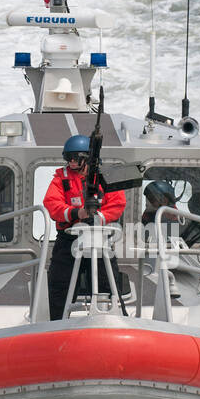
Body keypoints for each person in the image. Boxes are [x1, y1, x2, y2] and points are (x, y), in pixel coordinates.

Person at [43, 135, 126, 318]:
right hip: (69, 241)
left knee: (106, 283)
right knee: (60, 284)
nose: (71, 162)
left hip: (100, 239)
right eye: (68, 158)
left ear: (87, 158)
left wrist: (98, 218)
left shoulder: (106, 177)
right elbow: (52, 203)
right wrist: (76, 213)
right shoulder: (61, 179)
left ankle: (108, 320)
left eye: (75, 158)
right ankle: (58, 322)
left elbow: (117, 203)